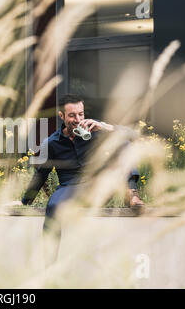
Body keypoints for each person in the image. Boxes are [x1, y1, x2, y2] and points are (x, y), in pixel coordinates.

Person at [19, 94, 144, 265]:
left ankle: (132, 193)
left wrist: (106, 127)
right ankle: (48, 267)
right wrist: (25, 202)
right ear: (62, 116)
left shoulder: (96, 130)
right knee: (54, 206)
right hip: (69, 188)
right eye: (72, 115)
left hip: (98, 184)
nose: (78, 119)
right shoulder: (52, 142)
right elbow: (41, 174)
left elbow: (134, 135)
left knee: (123, 144)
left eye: (81, 114)